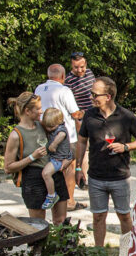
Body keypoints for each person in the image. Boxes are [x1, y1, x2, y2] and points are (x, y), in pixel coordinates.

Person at [76, 76, 136, 247]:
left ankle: (128, 251)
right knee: (98, 216)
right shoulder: (89, 115)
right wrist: (78, 168)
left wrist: (125, 147)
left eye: (95, 94)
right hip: (95, 176)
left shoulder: (125, 116)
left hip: (119, 176)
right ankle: (99, 253)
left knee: (124, 215)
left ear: (108, 96)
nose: (91, 97)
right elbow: (81, 141)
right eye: (91, 93)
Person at [3, 92, 68, 225]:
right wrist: (32, 157)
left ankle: (62, 245)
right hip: (33, 180)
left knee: (61, 221)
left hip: (54, 174)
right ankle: (39, 246)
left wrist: (67, 159)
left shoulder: (43, 125)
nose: (41, 111)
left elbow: (63, 134)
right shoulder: (16, 135)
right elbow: (8, 168)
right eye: (38, 108)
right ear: (27, 111)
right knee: (38, 225)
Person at [35, 64, 83, 210]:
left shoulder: (39, 88)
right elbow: (75, 114)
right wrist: (84, 114)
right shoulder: (64, 90)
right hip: (65, 134)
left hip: (45, 133)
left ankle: (51, 194)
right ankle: (69, 201)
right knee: (68, 167)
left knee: (50, 165)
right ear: (63, 76)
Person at [63, 51, 95, 190]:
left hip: (94, 115)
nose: (79, 70)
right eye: (76, 67)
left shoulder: (89, 74)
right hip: (79, 118)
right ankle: (82, 178)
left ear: (85, 64)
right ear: (71, 66)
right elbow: (69, 103)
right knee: (83, 148)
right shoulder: (68, 80)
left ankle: (89, 176)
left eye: (82, 66)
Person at [38, 109, 73, 210]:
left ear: (60, 122)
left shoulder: (61, 129)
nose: (49, 129)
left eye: (51, 127)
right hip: (53, 157)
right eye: (47, 126)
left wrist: (54, 144)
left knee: (46, 173)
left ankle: (52, 195)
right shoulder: (53, 127)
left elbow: (61, 135)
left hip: (59, 159)